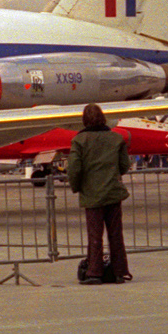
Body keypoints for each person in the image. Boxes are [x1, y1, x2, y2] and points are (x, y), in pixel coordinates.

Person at [66, 103, 132, 284]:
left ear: (84, 120)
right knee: (116, 234)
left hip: (92, 194)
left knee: (95, 235)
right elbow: (125, 165)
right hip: (113, 192)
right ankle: (119, 272)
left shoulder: (79, 141)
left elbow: (74, 169)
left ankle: (95, 272)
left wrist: (77, 186)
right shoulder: (116, 138)